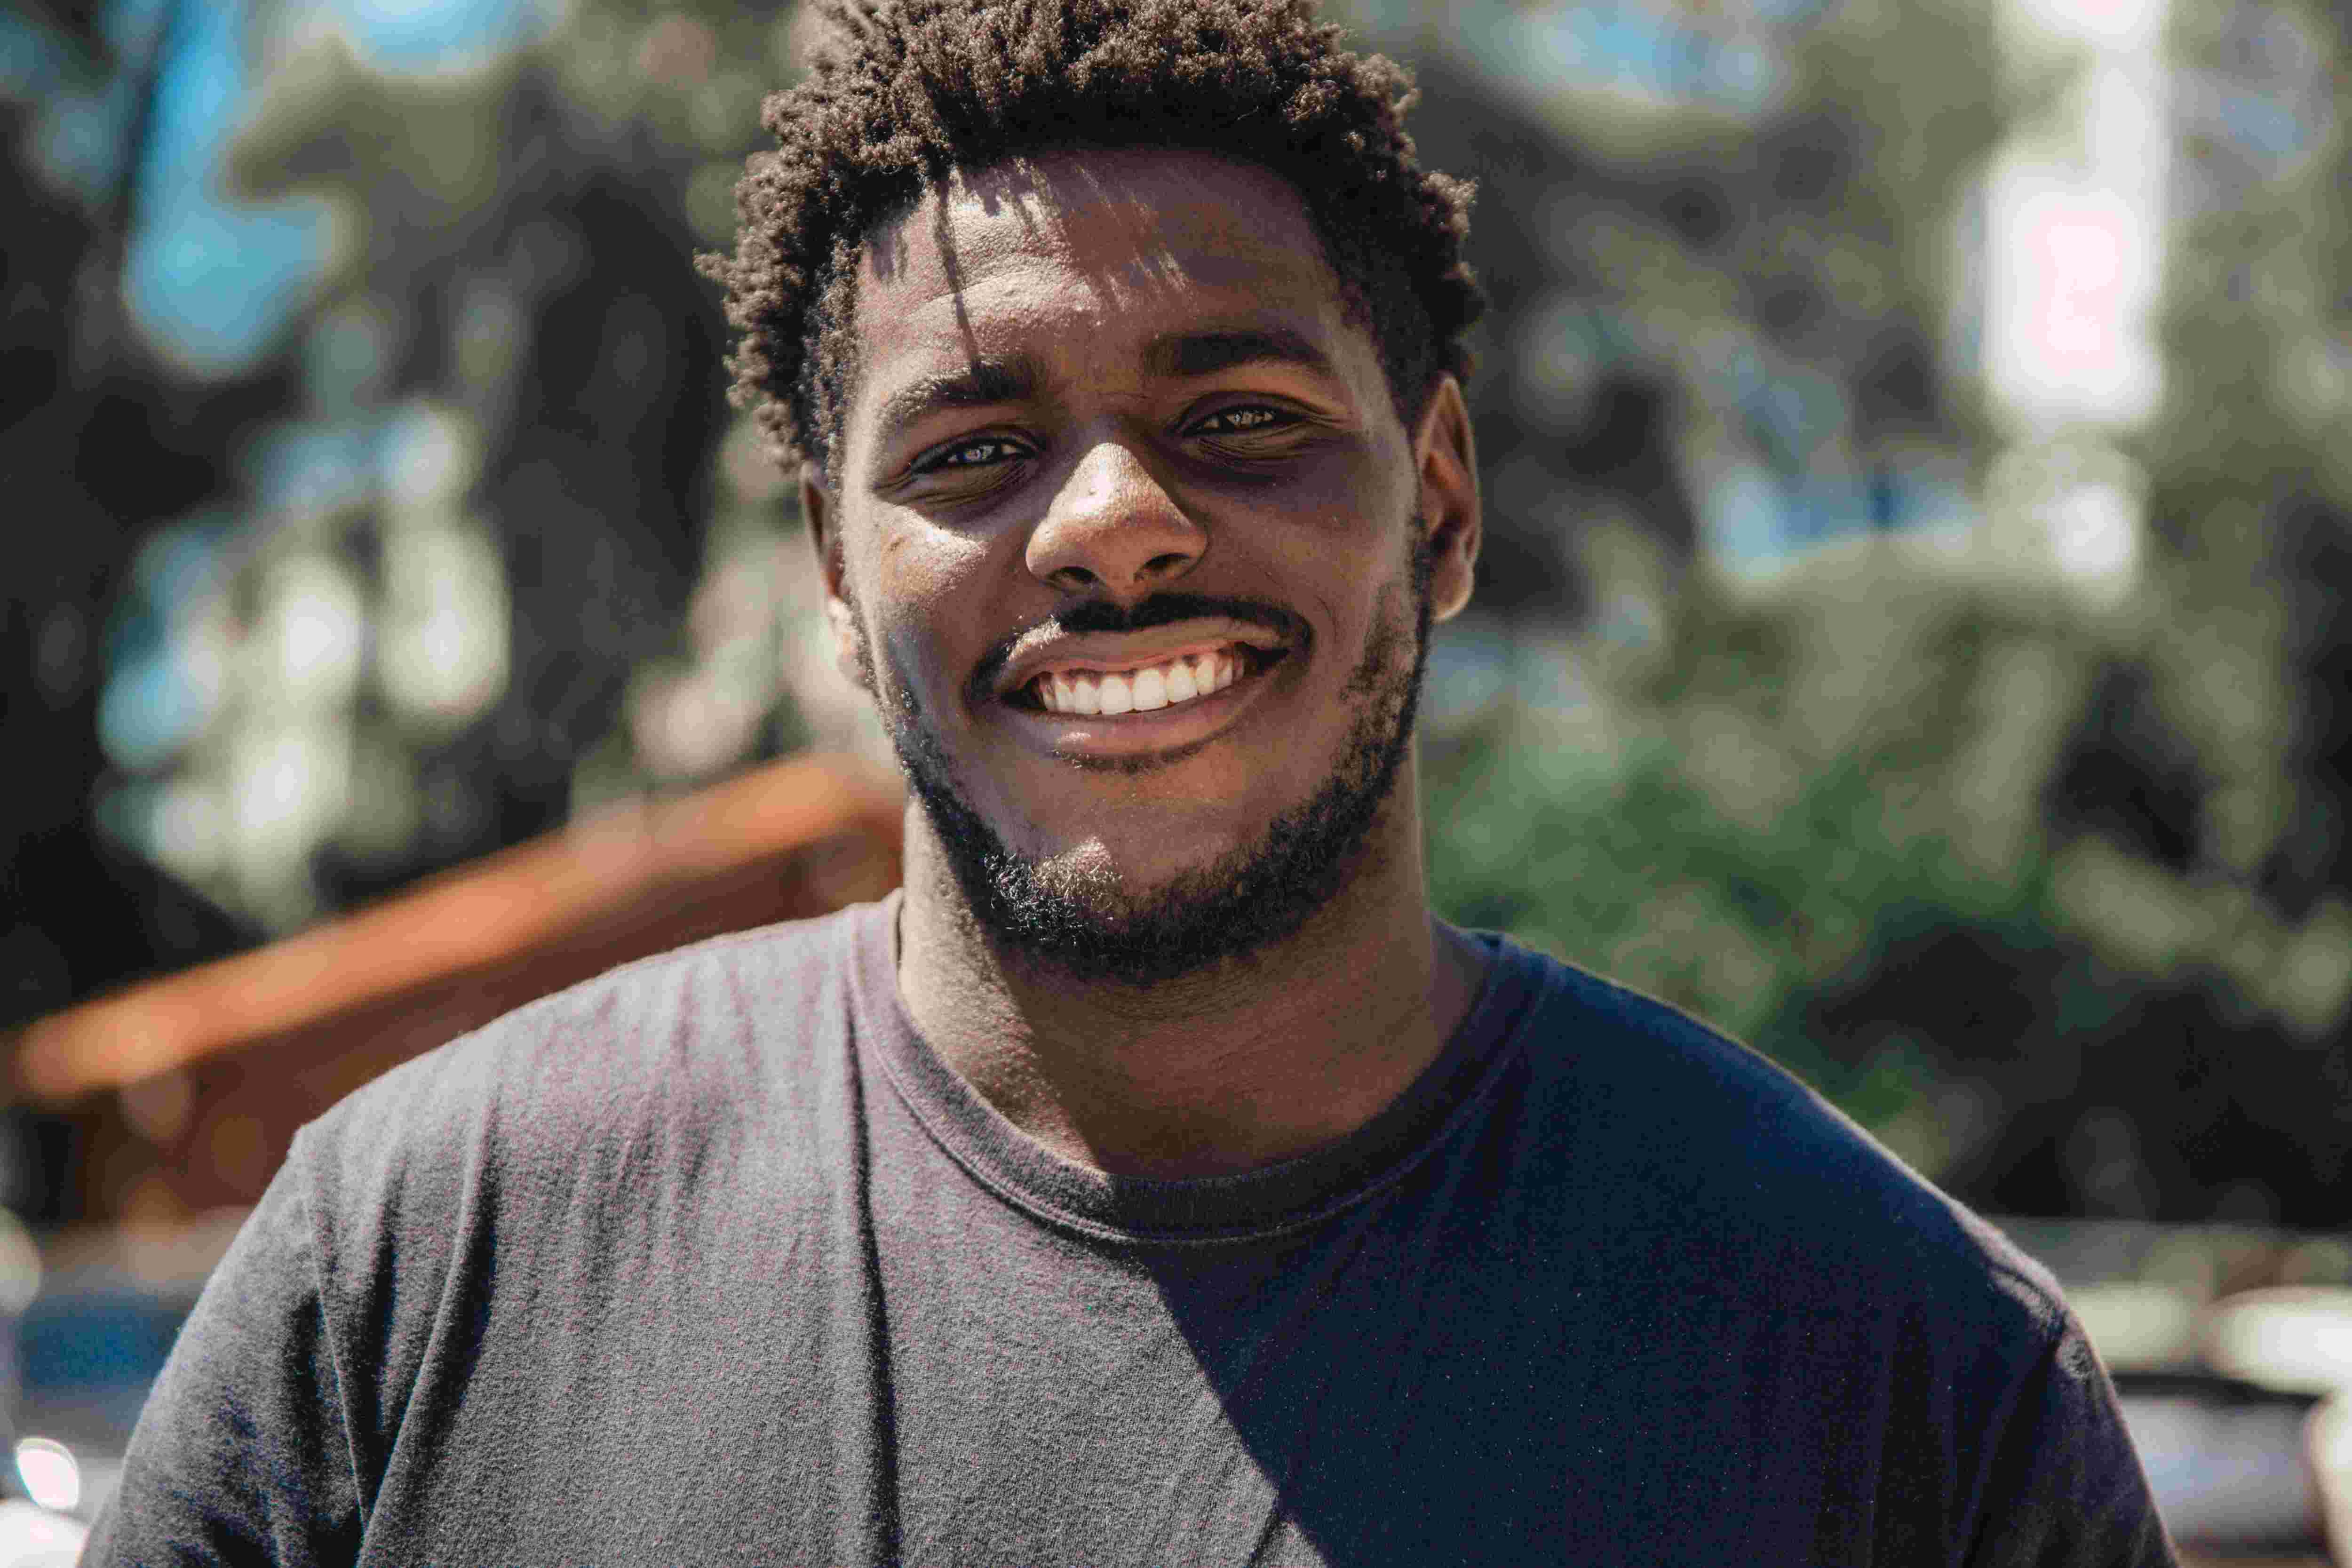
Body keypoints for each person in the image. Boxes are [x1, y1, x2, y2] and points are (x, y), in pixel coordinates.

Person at [87, 0, 2177, 1561]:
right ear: (836, 571)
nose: (1109, 526)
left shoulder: (1892, 1367)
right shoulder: (422, 1259)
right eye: (973, 451)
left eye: (1240, 416)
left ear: (1440, 503)